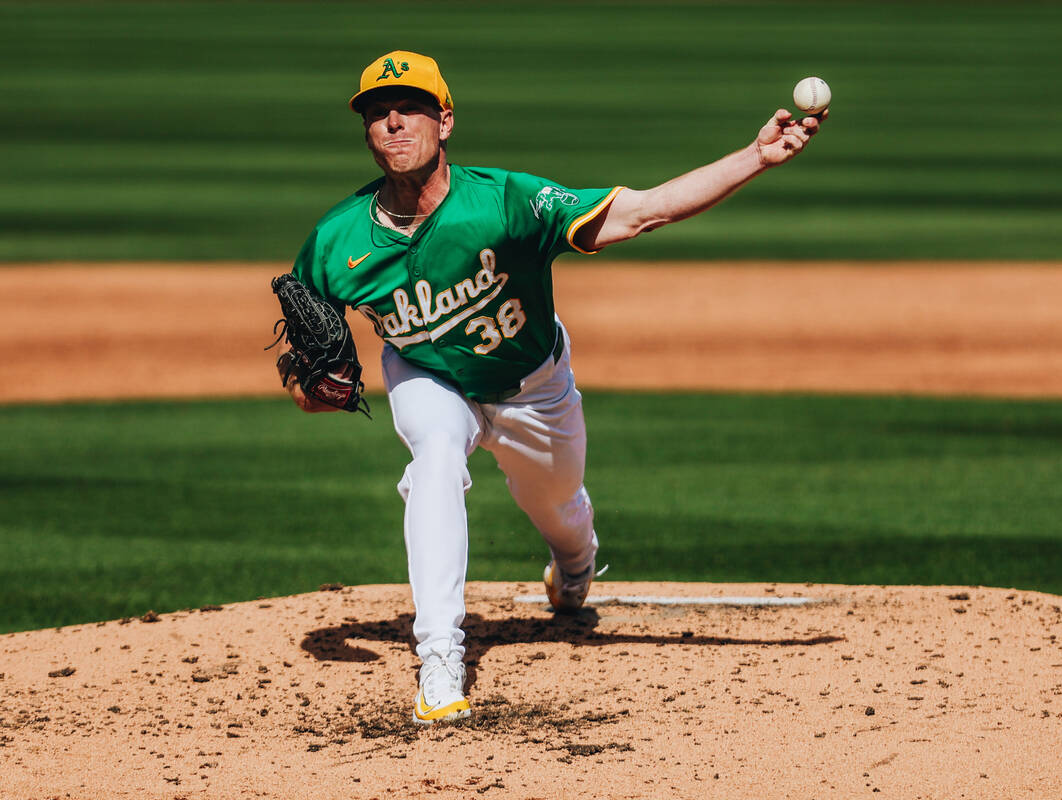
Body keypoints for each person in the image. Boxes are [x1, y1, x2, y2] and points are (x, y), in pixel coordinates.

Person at [278, 50, 826, 724]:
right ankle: (441, 660)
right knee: (435, 463)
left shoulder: (506, 202)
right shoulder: (335, 243)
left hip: (534, 389)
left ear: (444, 121)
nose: (393, 123)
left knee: (562, 513)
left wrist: (755, 157)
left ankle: (573, 571)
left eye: (411, 108)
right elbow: (306, 377)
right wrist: (316, 393)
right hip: (427, 377)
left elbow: (644, 212)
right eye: (377, 113)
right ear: (366, 131)